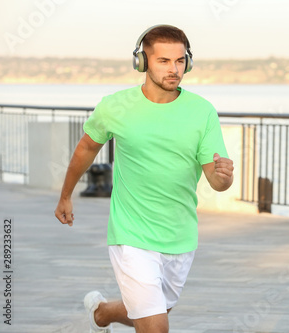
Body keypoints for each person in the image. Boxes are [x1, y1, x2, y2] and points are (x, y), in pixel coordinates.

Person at [54, 24, 234, 333]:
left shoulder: (202, 112)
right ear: (142, 62)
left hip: (180, 234)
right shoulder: (116, 106)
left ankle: (101, 314)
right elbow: (86, 148)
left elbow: (216, 180)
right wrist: (66, 194)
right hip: (132, 234)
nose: (174, 69)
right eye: (163, 60)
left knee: (157, 310)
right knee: (155, 326)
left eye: (180, 61)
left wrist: (224, 178)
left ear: (188, 62)